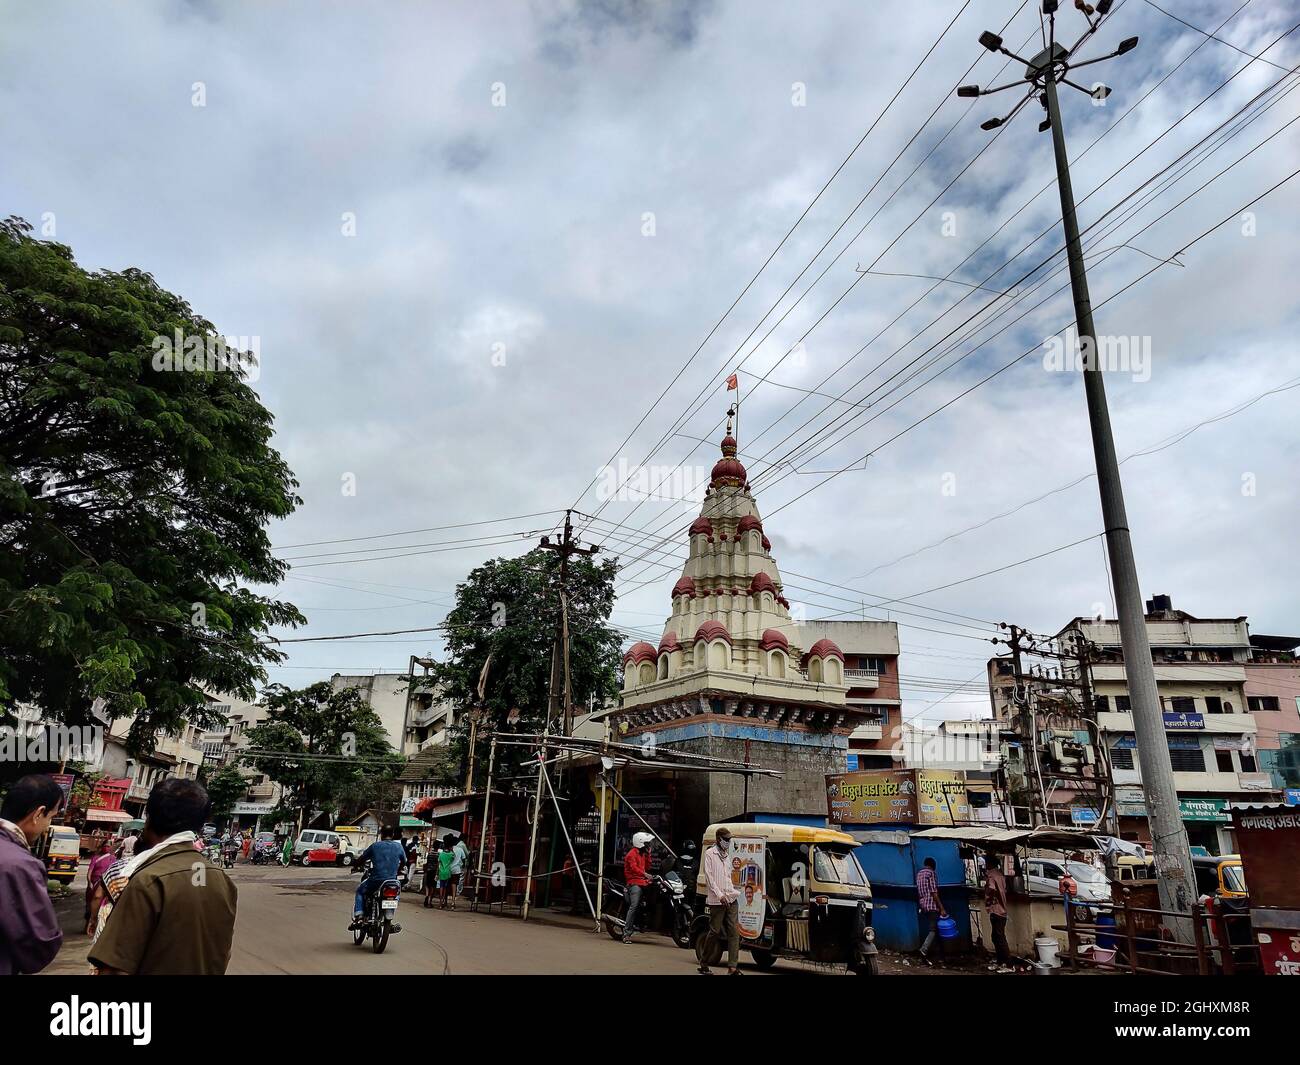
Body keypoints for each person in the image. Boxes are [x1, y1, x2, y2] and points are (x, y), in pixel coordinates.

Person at [88, 778, 238, 975]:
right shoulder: (222, 881)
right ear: (200, 825)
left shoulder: (148, 880)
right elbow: (223, 954)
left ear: (149, 819)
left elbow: (114, 968)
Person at [0, 774, 65, 974]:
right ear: (39, 814)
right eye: (51, 817)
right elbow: (39, 942)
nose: (47, 827)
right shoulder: (20, 865)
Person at [698, 827, 741, 975]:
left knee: (734, 932)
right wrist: (720, 895)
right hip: (717, 900)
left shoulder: (727, 855)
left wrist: (730, 893)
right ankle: (704, 962)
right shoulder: (710, 854)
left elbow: (728, 877)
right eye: (726, 840)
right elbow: (710, 878)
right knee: (715, 931)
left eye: (729, 840)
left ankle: (732, 968)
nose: (728, 842)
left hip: (731, 897)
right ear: (718, 839)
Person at [351, 826, 408, 928]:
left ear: (381, 834)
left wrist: (355, 866)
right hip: (392, 881)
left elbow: (362, 858)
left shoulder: (375, 846)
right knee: (395, 896)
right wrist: (398, 870)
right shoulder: (399, 847)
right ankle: (389, 919)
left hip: (375, 880)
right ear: (393, 834)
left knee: (360, 891)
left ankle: (359, 915)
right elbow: (404, 861)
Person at [622, 831, 653, 944]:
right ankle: (626, 934)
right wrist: (645, 874)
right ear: (640, 843)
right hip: (633, 882)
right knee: (634, 906)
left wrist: (649, 854)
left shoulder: (642, 854)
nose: (648, 846)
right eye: (647, 844)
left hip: (643, 882)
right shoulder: (631, 854)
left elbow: (648, 866)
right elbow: (634, 869)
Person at [984, 852, 1012, 972]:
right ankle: (1001, 962)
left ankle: (1009, 965)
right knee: (996, 936)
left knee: (999, 938)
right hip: (1002, 909)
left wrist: (989, 901)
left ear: (989, 864)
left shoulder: (991, 875)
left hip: (996, 909)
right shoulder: (1000, 875)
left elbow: (991, 888)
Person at [916, 856, 947, 966]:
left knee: (936, 930)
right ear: (933, 866)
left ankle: (940, 956)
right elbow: (934, 892)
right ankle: (923, 950)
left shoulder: (919, 874)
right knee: (933, 929)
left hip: (923, 904)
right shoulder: (931, 873)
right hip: (932, 905)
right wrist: (942, 908)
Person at [85, 837, 117, 933]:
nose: (107, 847)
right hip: (94, 883)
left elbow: (114, 872)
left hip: (106, 883)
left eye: (108, 846)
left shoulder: (113, 858)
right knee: (90, 904)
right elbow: (90, 872)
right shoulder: (95, 858)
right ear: (102, 847)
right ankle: (88, 924)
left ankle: (98, 926)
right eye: (105, 846)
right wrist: (89, 882)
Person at [437, 836, 456, 909]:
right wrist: (452, 850)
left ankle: (440, 902)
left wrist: (437, 873)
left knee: (441, 887)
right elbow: (453, 857)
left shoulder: (441, 854)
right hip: (448, 872)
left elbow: (439, 863)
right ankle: (444, 901)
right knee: (445, 887)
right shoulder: (451, 854)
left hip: (441, 872)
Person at [423, 839, 441, 908]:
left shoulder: (430, 853)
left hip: (428, 871)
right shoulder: (438, 854)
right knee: (433, 886)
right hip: (434, 871)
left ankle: (427, 896)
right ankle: (429, 901)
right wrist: (437, 873)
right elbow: (437, 865)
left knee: (427, 885)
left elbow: (427, 863)